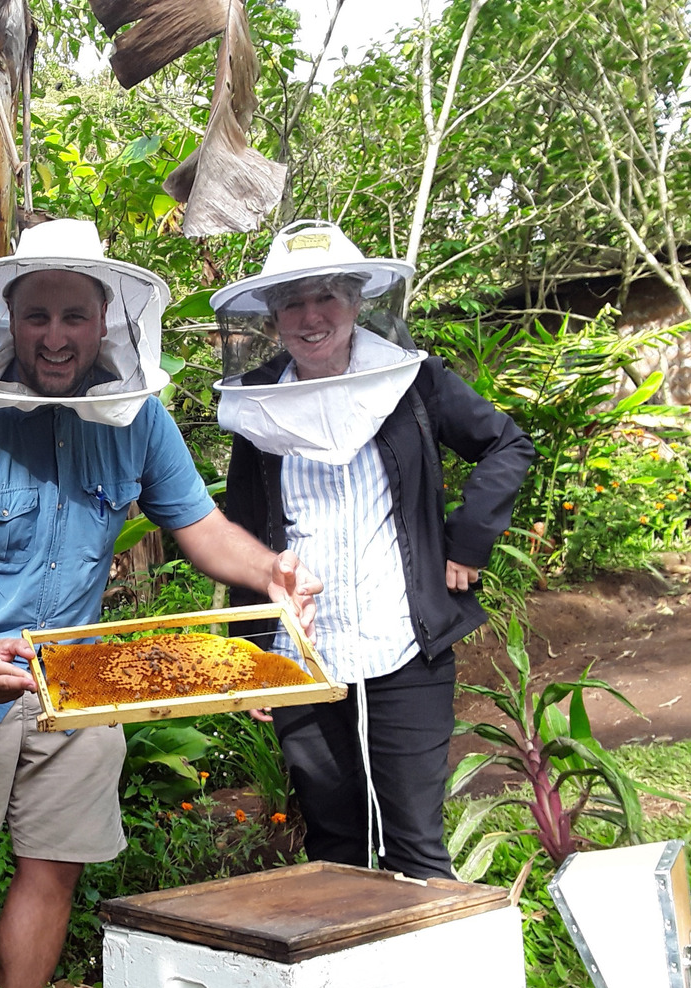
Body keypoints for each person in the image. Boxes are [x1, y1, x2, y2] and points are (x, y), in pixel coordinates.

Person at [0, 219, 320, 988]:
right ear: (7, 321)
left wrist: (271, 570)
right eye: (38, 316)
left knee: (54, 862)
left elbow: (197, 525)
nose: (56, 337)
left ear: (106, 321)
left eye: (74, 317)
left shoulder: (141, 420)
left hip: (81, 680)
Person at [215, 220, 534, 879]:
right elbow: (242, 535)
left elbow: (507, 445)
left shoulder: (410, 381)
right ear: (273, 317)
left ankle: (428, 979)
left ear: (357, 302)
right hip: (302, 652)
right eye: (293, 302)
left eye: (327, 296)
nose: (311, 317)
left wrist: (469, 541)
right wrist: (250, 656)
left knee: (414, 843)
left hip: (402, 642)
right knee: (333, 845)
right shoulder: (259, 407)